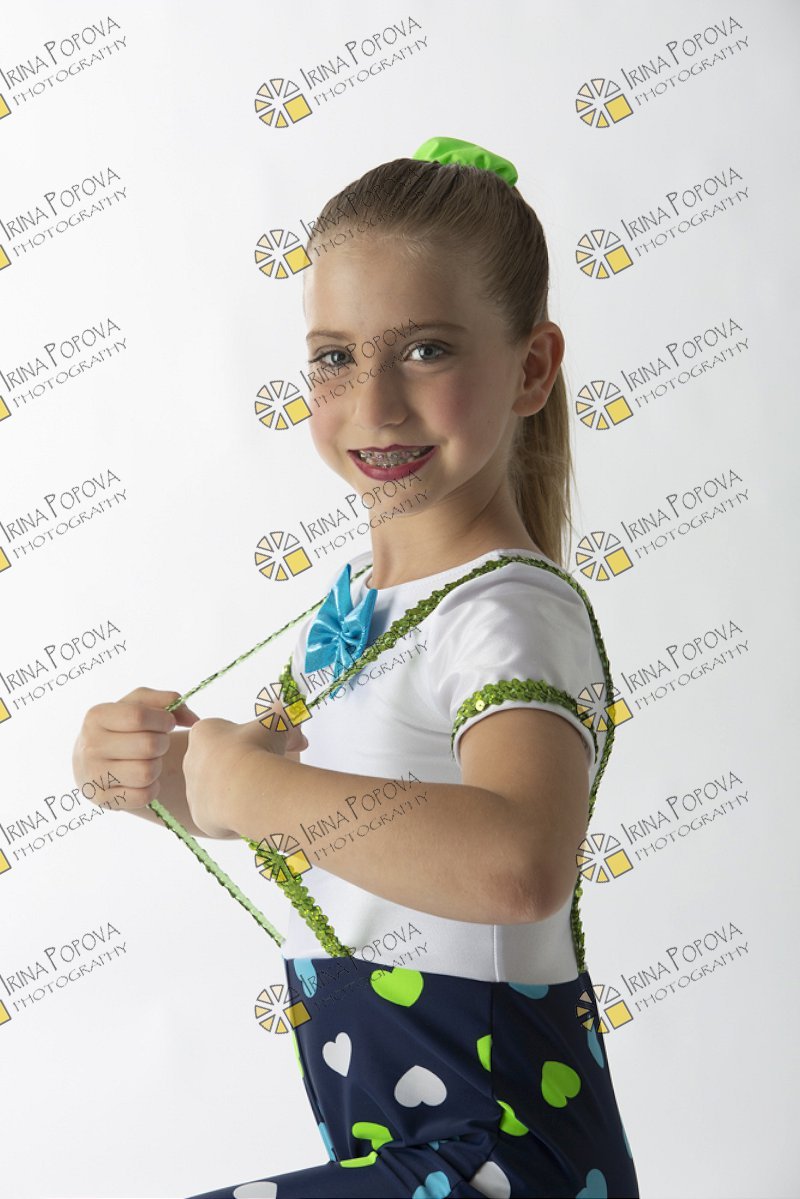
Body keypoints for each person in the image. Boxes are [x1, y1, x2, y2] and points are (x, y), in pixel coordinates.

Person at [73, 136, 640, 1198]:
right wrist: (163, 776)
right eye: (334, 356)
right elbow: (320, 819)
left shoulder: (507, 609)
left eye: (425, 349)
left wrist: (253, 786)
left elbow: (520, 863)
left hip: (496, 1154)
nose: (374, 402)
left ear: (530, 368)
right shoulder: (354, 616)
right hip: (401, 1148)